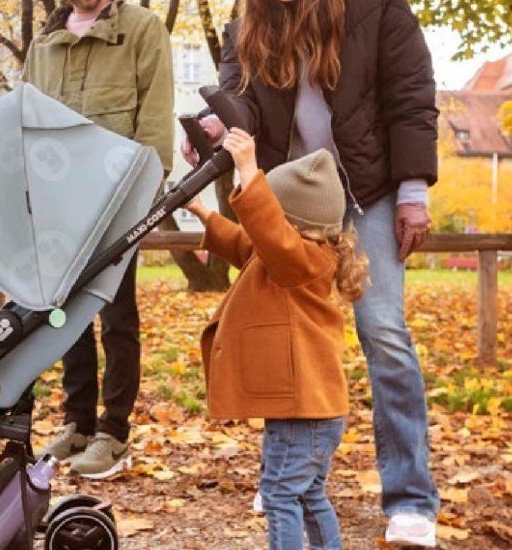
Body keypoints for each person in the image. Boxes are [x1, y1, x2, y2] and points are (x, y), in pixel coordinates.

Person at [181, 0, 440, 544]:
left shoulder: (378, 11)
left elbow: (410, 99)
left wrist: (413, 190)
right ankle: (291, 474)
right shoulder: (249, 18)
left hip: (369, 189)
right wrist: (216, 126)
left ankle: (411, 498)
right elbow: (242, 106)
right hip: (290, 197)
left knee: (384, 331)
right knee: (277, 333)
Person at [186, 130, 367, 550]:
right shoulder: (289, 256)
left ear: (292, 224)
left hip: (302, 413)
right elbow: (245, 242)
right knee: (306, 494)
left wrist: (249, 169)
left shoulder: (302, 260)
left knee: (281, 494)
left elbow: (266, 232)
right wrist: (203, 214)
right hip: (312, 409)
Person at [22, 0, 174, 478]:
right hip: (59, 201)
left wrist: (147, 190)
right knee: (64, 313)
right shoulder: (44, 42)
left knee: (116, 313)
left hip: (117, 200)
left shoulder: (142, 30)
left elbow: (154, 117)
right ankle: (77, 423)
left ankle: (113, 431)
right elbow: (25, 120)